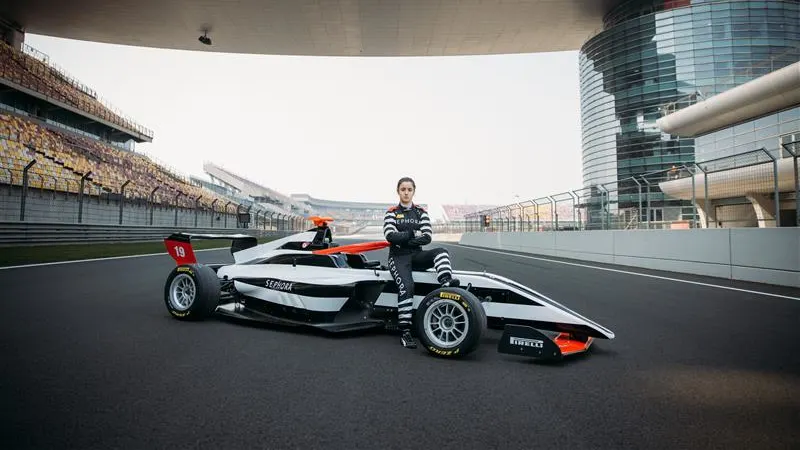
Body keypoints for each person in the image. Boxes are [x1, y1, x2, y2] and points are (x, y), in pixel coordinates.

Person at [383, 176, 460, 349]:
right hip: (398, 258)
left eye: (409, 189)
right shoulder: (391, 212)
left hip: (416, 255)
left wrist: (404, 238)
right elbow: (390, 236)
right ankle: (405, 331)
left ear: (413, 192)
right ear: (398, 191)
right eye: (403, 189)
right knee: (407, 287)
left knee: (441, 252)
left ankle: (446, 282)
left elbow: (426, 237)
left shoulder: (421, 212)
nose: (406, 192)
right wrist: (412, 234)